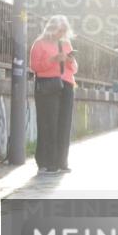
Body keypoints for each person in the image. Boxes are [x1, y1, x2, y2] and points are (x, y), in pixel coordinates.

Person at [29, 15, 78, 173]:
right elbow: (34, 67)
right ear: (51, 28)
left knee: (64, 124)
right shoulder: (39, 43)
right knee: (48, 124)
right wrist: (53, 59)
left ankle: (61, 162)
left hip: (67, 85)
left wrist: (70, 61)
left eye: (64, 31)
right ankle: (46, 163)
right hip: (47, 86)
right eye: (59, 30)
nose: (62, 33)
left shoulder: (66, 43)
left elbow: (75, 68)